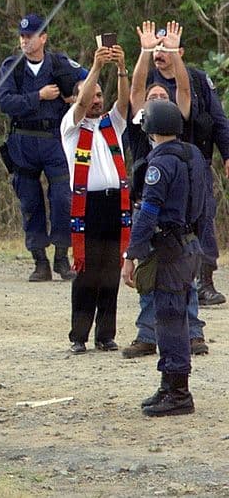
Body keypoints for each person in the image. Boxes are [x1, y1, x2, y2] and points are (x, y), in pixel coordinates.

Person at [123, 21, 209, 359]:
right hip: (147, 207)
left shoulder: (177, 121)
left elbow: (184, 91)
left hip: (177, 214)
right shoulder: (140, 125)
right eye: (153, 97)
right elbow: (135, 89)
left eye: (163, 96)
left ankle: (192, 333)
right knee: (149, 275)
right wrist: (145, 52)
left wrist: (172, 54)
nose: (158, 98)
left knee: (180, 273)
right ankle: (147, 334)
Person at [121, 100, 207, 417]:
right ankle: (170, 385)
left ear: (150, 129)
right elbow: (205, 205)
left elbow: (148, 213)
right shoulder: (194, 155)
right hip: (190, 244)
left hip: (169, 249)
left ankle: (178, 391)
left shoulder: (159, 165)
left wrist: (132, 253)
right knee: (177, 316)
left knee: (169, 319)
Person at [143, 22, 229, 306]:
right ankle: (157, 278)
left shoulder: (197, 80)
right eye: (156, 48)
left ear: (179, 51)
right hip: (161, 163)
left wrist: (227, 154)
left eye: (166, 47)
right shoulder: (149, 83)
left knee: (203, 219)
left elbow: (218, 121)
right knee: (161, 220)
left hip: (196, 161)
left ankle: (205, 282)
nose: (160, 53)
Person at [0, 13, 87, 282]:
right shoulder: (11, 67)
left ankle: (62, 257)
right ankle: (39, 260)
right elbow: (5, 103)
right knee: (29, 200)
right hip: (24, 140)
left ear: (43, 38)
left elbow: (86, 80)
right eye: (22, 36)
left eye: (31, 36)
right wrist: (39, 96)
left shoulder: (59, 64)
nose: (25, 41)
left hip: (55, 138)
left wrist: (77, 96)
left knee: (62, 198)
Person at [60, 44, 130, 354]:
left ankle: (106, 334)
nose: (96, 100)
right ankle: (79, 336)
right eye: (91, 95)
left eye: (100, 95)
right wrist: (96, 67)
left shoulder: (111, 124)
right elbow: (82, 101)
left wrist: (122, 68)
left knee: (111, 269)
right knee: (86, 271)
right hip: (87, 205)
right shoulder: (71, 127)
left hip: (115, 204)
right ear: (74, 100)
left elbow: (126, 100)